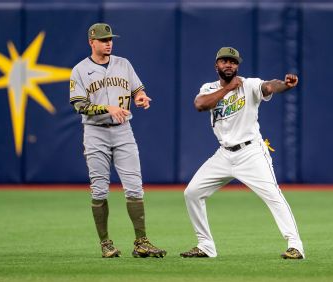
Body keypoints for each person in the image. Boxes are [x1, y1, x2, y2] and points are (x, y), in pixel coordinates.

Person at [180, 47, 305, 259]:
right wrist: (228, 90)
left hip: (251, 152)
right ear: (216, 66)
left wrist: (284, 85)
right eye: (224, 61)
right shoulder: (208, 87)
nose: (229, 64)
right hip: (224, 154)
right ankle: (206, 246)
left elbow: (269, 85)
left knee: (273, 196)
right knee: (191, 193)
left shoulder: (249, 84)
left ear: (238, 66)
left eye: (233, 62)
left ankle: (295, 246)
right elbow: (200, 105)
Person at [69, 23, 166, 258]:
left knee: (134, 187)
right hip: (95, 132)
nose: (108, 43)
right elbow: (79, 105)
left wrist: (141, 97)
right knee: (99, 189)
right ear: (92, 42)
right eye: (103, 40)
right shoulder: (80, 70)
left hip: (123, 130)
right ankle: (106, 244)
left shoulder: (124, 63)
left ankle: (141, 242)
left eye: (110, 39)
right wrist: (107, 107)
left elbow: (137, 90)